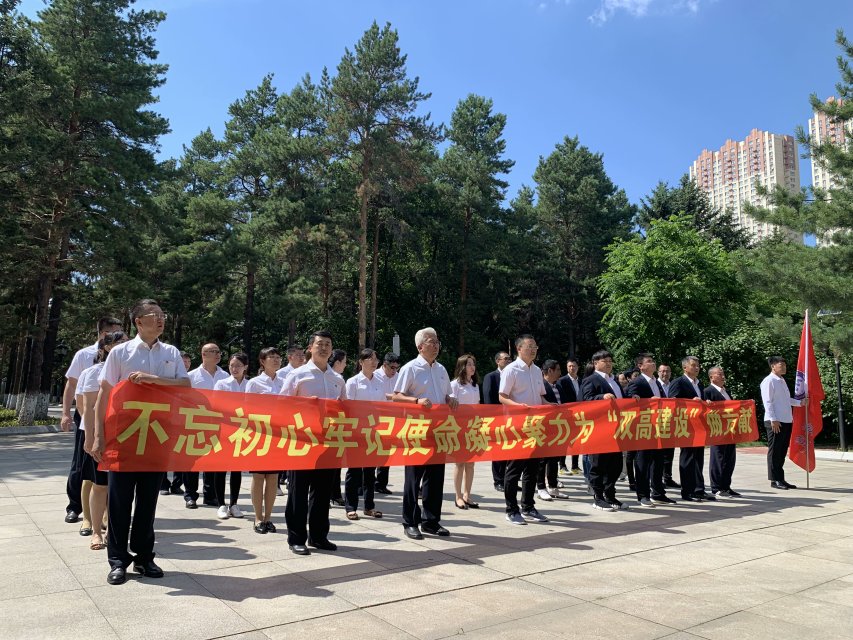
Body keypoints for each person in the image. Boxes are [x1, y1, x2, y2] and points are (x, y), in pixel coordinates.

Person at [93, 299, 190, 585]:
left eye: (163, 315)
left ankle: (144, 557)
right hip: (124, 436)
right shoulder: (121, 352)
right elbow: (104, 394)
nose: (161, 320)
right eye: (154, 315)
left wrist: (154, 379)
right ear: (138, 321)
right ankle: (117, 560)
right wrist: (97, 435)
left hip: (157, 436)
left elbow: (185, 385)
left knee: (148, 502)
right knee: (119, 502)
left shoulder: (170, 352)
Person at [282, 330, 346, 555]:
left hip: (328, 442)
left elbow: (345, 408)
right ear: (310, 348)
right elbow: (281, 404)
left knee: (322, 491)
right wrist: (304, 405)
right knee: (298, 491)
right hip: (302, 441)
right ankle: (296, 538)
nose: (324, 348)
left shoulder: (337, 379)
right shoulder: (297, 375)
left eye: (328, 344)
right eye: (320, 344)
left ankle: (319, 536)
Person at [393, 327, 458, 539]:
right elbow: (396, 396)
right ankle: (410, 522)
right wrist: (416, 401)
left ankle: (431, 521)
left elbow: (447, 395)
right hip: (417, 431)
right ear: (420, 346)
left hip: (438, 430)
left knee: (435, 477)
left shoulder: (441, 369)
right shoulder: (410, 368)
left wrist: (450, 399)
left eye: (437, 341)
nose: (436, 345)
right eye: (431, 341)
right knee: (413, 479)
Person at [61, 316, 122, 526]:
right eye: (115, 332)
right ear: (105, 335)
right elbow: (72, 385)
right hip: (87, 416)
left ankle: (104, 513)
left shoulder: (126, 360)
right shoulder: (85, 355)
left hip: (115, 421)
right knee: (83, 466)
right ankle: (75, 507)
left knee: (107, 471)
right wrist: (66, 413)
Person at [78, 330, 128, 550]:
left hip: (126, 434)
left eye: (127, 342)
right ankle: (96, 531)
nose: (125, 346)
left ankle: (113, 531)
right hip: (102, 435)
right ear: (107, 347)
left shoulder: (131, 371)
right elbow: (88, 407)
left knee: (121, 486)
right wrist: (91, 437)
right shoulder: (94, 372)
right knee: (99, 484)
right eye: (120, 342)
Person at [500, 334, 550, 525]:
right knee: (514, 470)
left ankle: (528, 506)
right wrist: (518, 406)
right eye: (529, 346)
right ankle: (511, 510)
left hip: (535, 426)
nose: (533, 350)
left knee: (532, 469)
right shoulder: (511, 370)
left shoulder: (537, 371)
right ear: (519, 349)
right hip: (517, 427)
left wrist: (549, 405)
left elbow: (541, 397)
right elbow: (502, 396)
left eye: (535, 346)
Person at [183, 343, 230, 511]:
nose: (218, 354)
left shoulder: (225, 375)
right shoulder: (191, 376)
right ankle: (190, 495)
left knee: (212, 460)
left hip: (218, 423)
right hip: (196, 422)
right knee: (192, 460)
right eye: (213, 351)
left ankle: (210, 495)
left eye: (219, 351)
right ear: (204, 354)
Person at [626, 353, 675, 507]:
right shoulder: (637, 382)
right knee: (642, 462)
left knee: (658, 462)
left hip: (658, 427)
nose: (653, 363)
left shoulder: (656, 382)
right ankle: (643, 495)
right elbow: (630, 399)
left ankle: (658, 493)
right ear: (640, 366)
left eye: (653, 361)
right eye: (649, 361)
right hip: (644, 428)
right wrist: (646, 401)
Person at [245, 347, 284, 534]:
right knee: (259, 476)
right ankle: (258, 517)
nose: (276, 360)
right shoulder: (254, 383)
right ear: (262, 361)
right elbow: (247, 409)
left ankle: (268, 517)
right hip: (260, 434)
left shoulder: (285, 382)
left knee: (273, 477)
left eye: (278, 357)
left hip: (279, 435)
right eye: (271, 357)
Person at [581, 349, 627, 512]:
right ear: (595, 363)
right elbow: (585, 400)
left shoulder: (614, 380)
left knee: (615, 465)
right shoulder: (591, 380)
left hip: (616, 429)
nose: (608, 364)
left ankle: (610, 495)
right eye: (604, 361)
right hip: (599, 429)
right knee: (598, 464)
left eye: (610, 361)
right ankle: (598, 497)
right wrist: (601, 397)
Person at [343, 349, 385, 520]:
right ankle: (350, 506)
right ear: (361, 362)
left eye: (376, 359)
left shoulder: (380, 382)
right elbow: (347, 407)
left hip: (373, 431)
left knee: (370, 471)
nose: (374, 362)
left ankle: (369, 506)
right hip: (356, 431)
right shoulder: (353, 382)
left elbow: (383, 407)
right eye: (370, 359)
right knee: (354, 471)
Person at [669, 355, 714, 502]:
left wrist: (705, 402)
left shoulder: (699, 383)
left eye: (698, 365)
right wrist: (690, 402)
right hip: (685, 425)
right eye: (693, 365)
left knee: (698, 458)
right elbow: (672, 403)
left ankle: (699, 489)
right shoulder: (678, 382)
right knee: (687, 458)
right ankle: (687, 491)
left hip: (698, 425)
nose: (697, 368)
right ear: (685, 367)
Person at [211, 352, 250, 518]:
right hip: (224, 429)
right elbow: (216, 405)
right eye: (232, 365)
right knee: (220, 468)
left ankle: (234, 503)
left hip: (242, 430)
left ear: (245, 367)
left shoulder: (250, 384)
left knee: (236, 469)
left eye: (238, 366)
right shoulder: (222, 384)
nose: (234, 369)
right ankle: (221, 504)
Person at [760, 356, 806, 490]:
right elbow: (767, 401)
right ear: (773, 366)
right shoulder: (769, 381)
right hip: (775, 421)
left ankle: (780, 478)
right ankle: (774, 480)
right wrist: (773, 419)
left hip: (786, 420)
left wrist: (800, 403)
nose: (784, 367)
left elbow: (786, 399)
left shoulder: (781, 380)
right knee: (775, 451)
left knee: (781, 451)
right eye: (781, 365)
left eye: (785, 365)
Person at [705, 366, 742, 498]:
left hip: (730, 431)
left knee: (729, 459)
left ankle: (726, 486)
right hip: (717, 431)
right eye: (719, 374)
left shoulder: (726, 391)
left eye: (723, 373)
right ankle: (716, 488)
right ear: (712, 377)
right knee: (718, 458)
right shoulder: (708, 391)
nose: (723, 376)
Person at [450, 354, 480, 510]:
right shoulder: (455, 385)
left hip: (472, 427)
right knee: (460, 463)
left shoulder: (475, 385)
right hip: (459, 428)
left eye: (473, 364)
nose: (472, 367)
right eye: (469, 364)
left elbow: (478, 405)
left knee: (470, 464)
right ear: (462, 366)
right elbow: (450, 406)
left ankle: (467, 494)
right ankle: (458, 496)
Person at [483, 351, 511, 492]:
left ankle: (508, 480)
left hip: (511, 419)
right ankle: (498, 480)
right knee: (498, 451)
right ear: (497, 361)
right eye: (505, 359)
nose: (508, 361)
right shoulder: (491, 377)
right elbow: (488, 399)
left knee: (510, 451)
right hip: (498, 419)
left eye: (509, 359)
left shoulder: (512, 375)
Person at [537, 359, 565, 501]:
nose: (560, 372)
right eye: (558, 369)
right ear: (549, 371)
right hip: (544, 427)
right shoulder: (541, 386)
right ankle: (541, 487)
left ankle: (553, 486)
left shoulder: (558, 386)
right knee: (543, 460)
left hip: (557, 427)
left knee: (554, 458)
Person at [373, 352, 400, 494]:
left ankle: (381, 483)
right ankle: (367, 482)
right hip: (374, 419)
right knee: (371, 450)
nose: (394, 371)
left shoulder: (398, 377)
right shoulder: (375, 376)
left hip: (391, 419)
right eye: (392, 367)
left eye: (396, 367)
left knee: (386, 453)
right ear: (384, 365)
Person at [327, 349, 348, 507]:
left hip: (336, 427)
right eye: (344, 362)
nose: (346, 365)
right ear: (338, 363)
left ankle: (334, 494)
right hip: (320, 428)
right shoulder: (328, 376)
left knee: (336, 464)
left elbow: (345, 403)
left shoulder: (339, 380)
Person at [556, 358, 582, 475]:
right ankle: (562, 465)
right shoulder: (562, 381)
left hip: (579, 415)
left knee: (577, 440)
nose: (572, 368)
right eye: (570, 366)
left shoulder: (581, 381)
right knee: (565, 440)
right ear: (567, 368)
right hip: (566, 414)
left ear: (578, 367)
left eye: (574, 366)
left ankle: (575, 465)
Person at [657, 363, 679, 490]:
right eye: (662, 371)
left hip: (671, 423)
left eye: (667, 371)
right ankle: (657, 479)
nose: (665, 374)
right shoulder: (655, 384)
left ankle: (668, 477)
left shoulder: (673, 385)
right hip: (657, 424)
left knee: (670, 453)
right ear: (658, 372)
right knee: (658, 454)